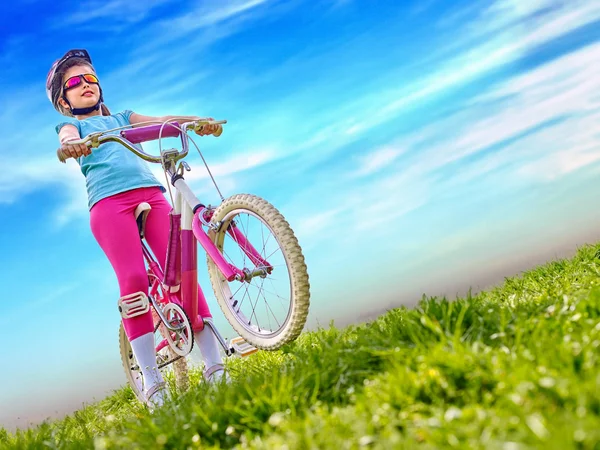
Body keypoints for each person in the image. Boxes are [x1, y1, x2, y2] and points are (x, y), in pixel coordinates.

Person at [46, 49, 227, 410]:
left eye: (91, 79)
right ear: (64, 100)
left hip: (152, 196)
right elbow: (65, 138)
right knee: (133, 281)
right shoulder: (76, 126)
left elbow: (161, 121)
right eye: (75, 83)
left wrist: (196, 121)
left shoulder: (124, 119)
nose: (86, 85)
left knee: (183, 274)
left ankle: (215, 366)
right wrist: (71, 145)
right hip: (109, 205)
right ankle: (152, 381)